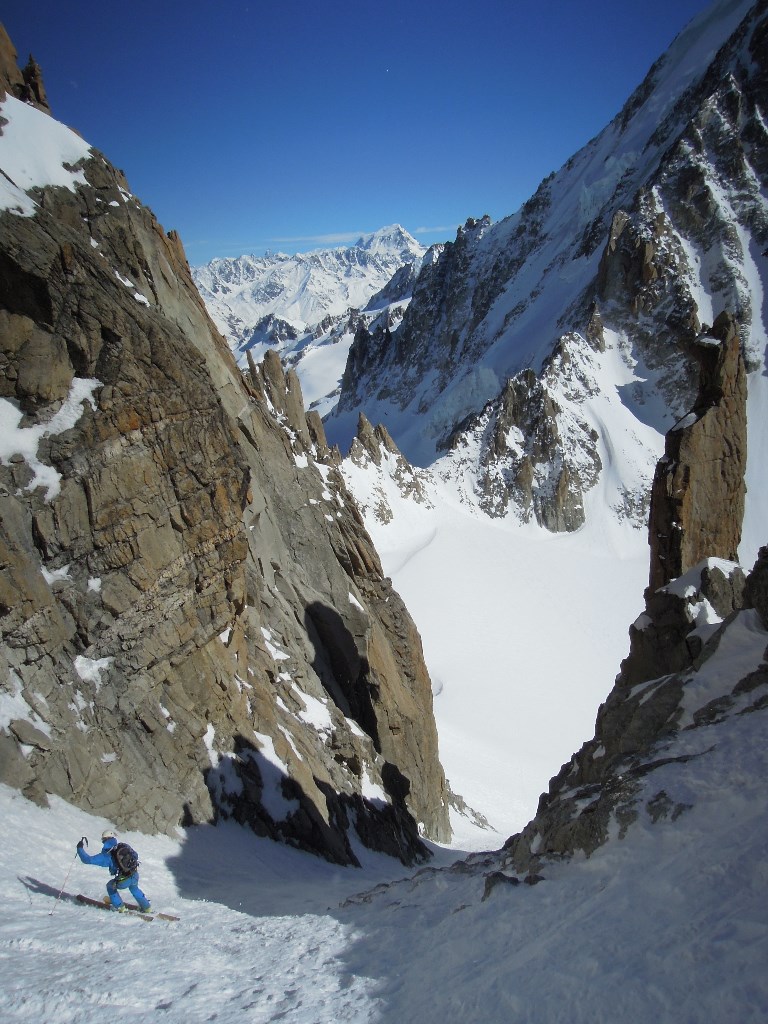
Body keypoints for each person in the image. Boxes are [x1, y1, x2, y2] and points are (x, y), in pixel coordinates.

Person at [76, 830, 151, 913]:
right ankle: (147, 907)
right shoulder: (123, 846)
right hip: (134, 874)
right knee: (134, 888)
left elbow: (87, 860)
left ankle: (120, 907)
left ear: (104, 840)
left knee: (110, 886)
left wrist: (79, 848)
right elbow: (136, 855)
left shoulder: (107, 855)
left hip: (124, 880)